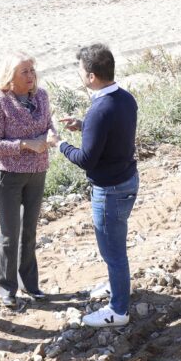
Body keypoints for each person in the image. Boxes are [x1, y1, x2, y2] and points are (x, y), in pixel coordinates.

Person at [51, 44, 138, 328]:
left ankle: (118, 310)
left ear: (91, 77)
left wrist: (59, 144)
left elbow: (86, 159)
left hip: (110, 190)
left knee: (113, 252)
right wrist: (84, 125)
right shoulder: (125, 99)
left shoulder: (100, 109)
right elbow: (112, 134)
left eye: (80, 71)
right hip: (126, 180)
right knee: (116, 247)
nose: (79, 75)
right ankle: (117, 288)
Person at [0, 53, 55, 308]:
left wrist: (50, 138)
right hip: (9, 175)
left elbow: (49, 126)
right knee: (9, 234)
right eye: (24, 71)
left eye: (32, 70)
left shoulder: (41, 96)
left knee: (30, 231)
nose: (31, 75)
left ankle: (31, 284)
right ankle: (7, 288)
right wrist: (24, 144)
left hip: (38, 172)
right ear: (9, 77)